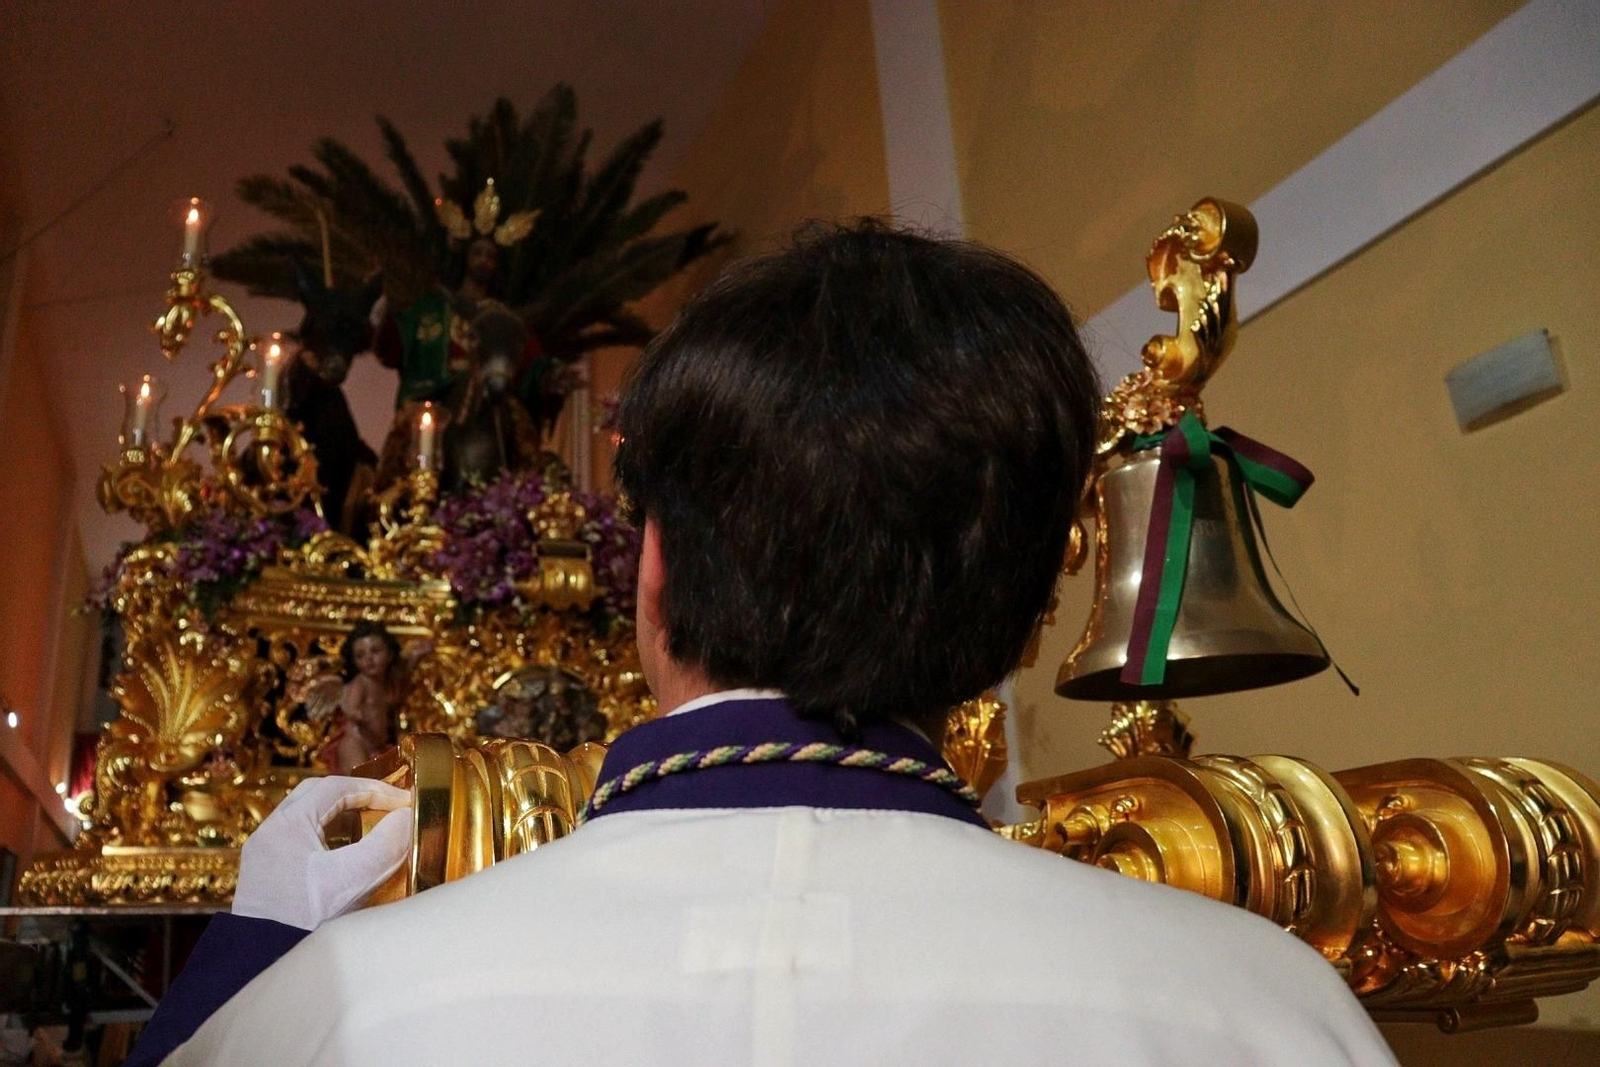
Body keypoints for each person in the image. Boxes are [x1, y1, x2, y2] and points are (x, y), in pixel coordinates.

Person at [131, 221, 1397, 1065]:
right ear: (1030, 612)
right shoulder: (1269, 1013)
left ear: (655, 563)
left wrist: (252, 950)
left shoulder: (338, 1013)